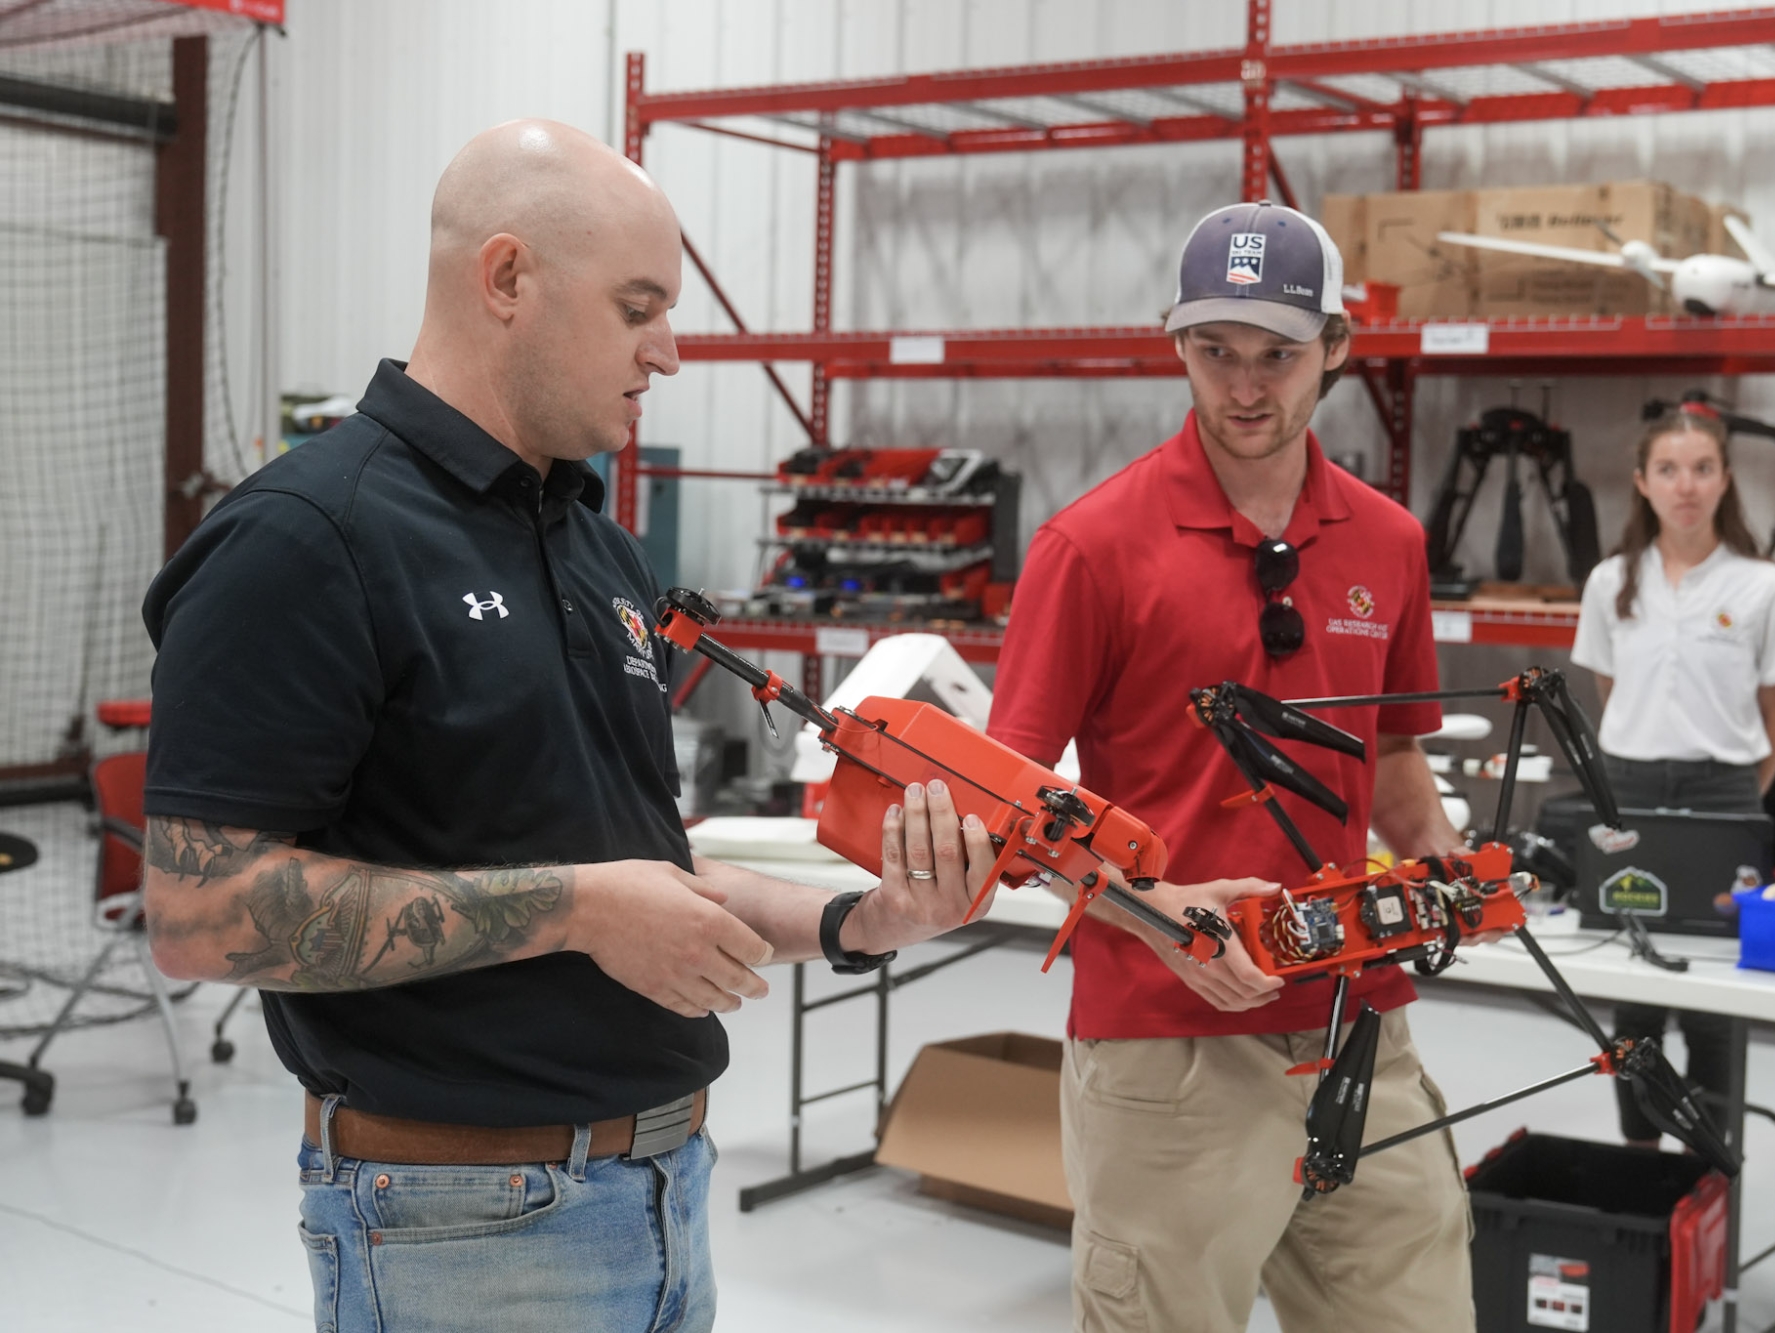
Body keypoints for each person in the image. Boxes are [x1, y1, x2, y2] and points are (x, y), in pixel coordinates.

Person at [140, 120, 995, 1333]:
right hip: (462, 1219)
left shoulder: (593, 545)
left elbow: (637, 862)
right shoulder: (308, 540)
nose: (671, 350)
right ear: (506, 280)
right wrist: (580, 910)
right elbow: (197, 914)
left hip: (658, 1190)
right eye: (638, 306)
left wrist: (865, 922)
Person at [987, 203, 1475, 1333]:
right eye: (1214, 353)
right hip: (1167, 1045)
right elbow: (1003, 798)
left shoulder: (1388, 542)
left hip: (1358, 1020)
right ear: (1175, 345)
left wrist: (1456, 869)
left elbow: (1393, 757)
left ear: (1338, 350)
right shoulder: (1089, 548)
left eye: (1276, 356)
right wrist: (1158, 914)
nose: (1244, 387)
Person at [1569, 405, 1775, 1146]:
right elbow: (1609, 689)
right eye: (1669, 470)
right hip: (1630, 791)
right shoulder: (1611, 581)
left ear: (1725, 478)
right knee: (1632, 997)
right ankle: (1641, 1169)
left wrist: (1740, 797)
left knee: (1714, 1001)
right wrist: (1646, 765)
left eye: (1703, 468)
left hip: (1724, 794)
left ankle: (1710, 1176)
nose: (1687, 486)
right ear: (1642, 482)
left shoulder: (1762, 585)